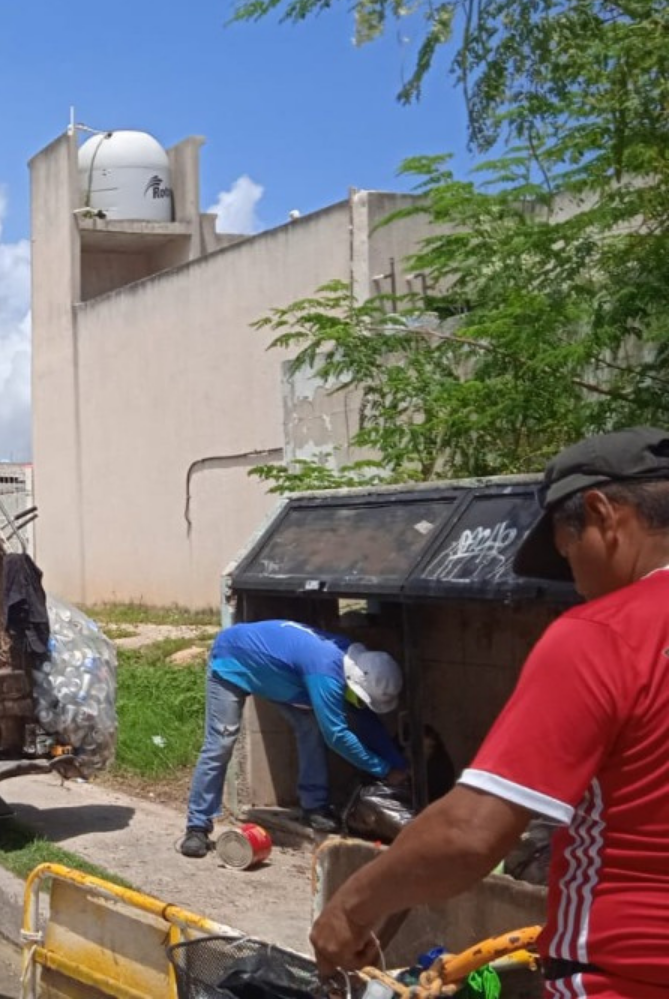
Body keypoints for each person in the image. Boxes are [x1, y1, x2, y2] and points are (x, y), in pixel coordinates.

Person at [311, 427, 669, 997]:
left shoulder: (602, 636)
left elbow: (469, 834)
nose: (576, 582)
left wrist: (349, 908)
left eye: (567, 553)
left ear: (603, 513)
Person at [179, 617, 408, 858]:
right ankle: (197, 826)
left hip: (275, 673)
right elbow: (337, 736)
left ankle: (314, 807)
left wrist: (400, 765)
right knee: (221, 743)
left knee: (310, 726)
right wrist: (384, 769)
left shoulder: (353, 664)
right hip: (232, 658)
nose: (361, 703)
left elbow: (366, 719)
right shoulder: (326, 671)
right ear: (355, 684)